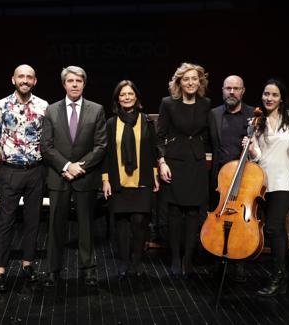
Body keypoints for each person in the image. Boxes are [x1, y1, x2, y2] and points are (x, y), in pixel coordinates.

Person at [41, 65, 106, 287]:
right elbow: (46, 147)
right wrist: (67, 166)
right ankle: (53, 270)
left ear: (84, 84)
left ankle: (88, 269)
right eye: (71, 81)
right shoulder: (51, 110)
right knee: (55, 226)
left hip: (85, 177)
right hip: (58, 176)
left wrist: (80, 166)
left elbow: (100, 146)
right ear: (64, 84)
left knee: (86, 226)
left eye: (79, 81)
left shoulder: (96, 110)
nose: (75, 84)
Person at [0, 64, 48, 291]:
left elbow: (47, 137)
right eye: (21, 76)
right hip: (10, 170)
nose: (25, 80)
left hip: (35, 170)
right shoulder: (0, 106)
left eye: (29, 77)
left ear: (35, 81)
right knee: (6, 220)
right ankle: (1, 269)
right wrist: (11, 155)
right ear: (13, 79)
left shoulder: (44, 107)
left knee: (33, 220)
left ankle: (27, 264)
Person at [156, 63, 211, 279]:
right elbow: (159, 136)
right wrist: (162, 162)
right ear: (179, 82)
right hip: (174, 162)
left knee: (193, 213)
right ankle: (175, 258)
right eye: (186, 79)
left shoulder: (206, 104)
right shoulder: (168, 104)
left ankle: (188, 259)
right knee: (175, 212)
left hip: (196, 163)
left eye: (194, 79)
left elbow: (208, 134)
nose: (190, 83)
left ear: (200, 82)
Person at [242, 79, 289, 296]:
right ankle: (283, 276)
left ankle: (278, 276)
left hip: (285, 181)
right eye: (266, 94)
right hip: (263, 182)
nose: (269, 98)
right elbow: (259, 159)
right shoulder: (256, 122)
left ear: (281, 97)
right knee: (276, 230)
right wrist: (252, 151)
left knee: (274, 227)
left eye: (274, 95)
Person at [102, 80, 159, 279]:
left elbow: (153, 150)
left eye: (130, 94)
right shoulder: (111, 123)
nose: (127, 97)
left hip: (141, 180)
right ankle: (123, 263)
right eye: (123, 94)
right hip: (119, 181)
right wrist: (105, 179)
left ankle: (137, 263)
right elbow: (106, 154)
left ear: (136, 97)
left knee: (139, 222)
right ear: (117, 99)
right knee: (122, 225)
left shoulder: (146, 121)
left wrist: (155, 175)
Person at [208, 74, 254, 283]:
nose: (232, 92)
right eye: (228, 88)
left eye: (236, 88)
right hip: (220, 178)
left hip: (246, 179)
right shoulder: (214, 114)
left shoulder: (253, 115)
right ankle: (218, 258)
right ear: (223, 90)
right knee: (219, 220)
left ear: (243, 91)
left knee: (242, 222)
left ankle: (240, 260)